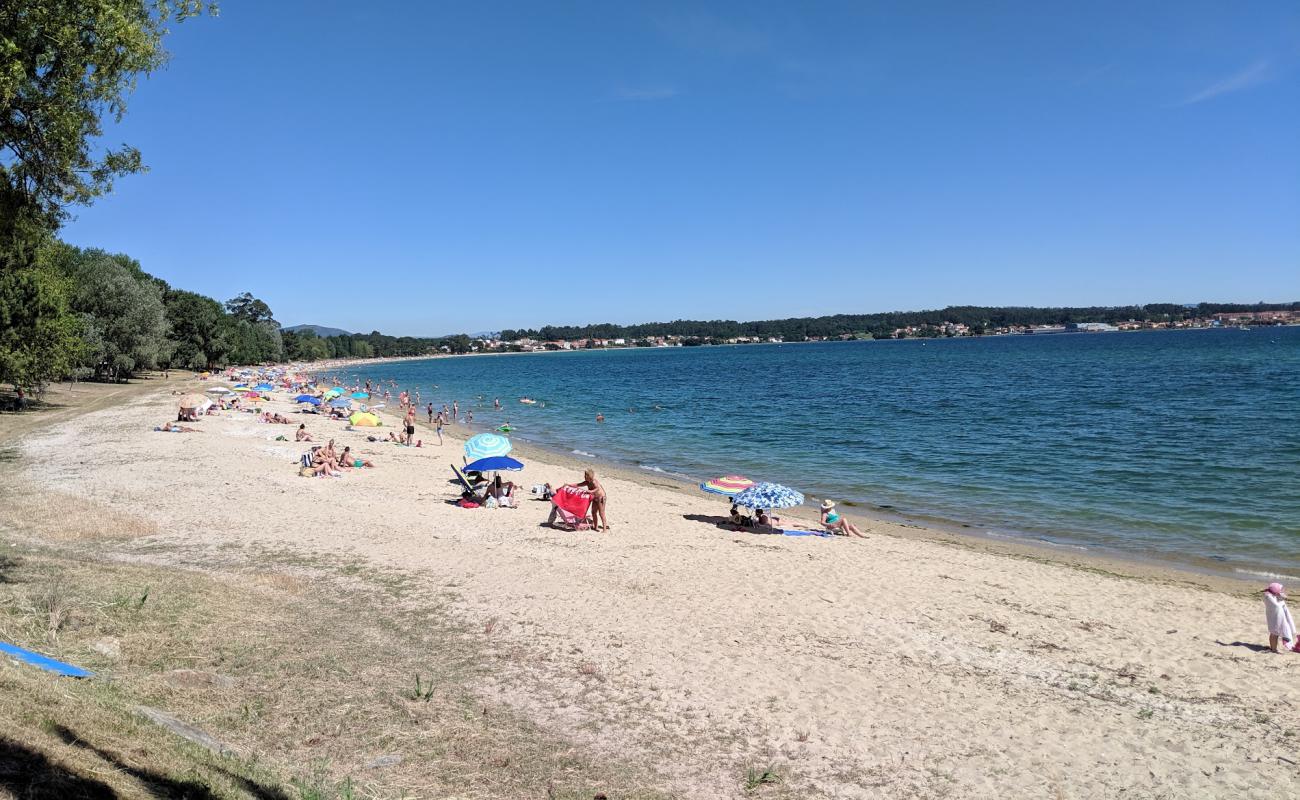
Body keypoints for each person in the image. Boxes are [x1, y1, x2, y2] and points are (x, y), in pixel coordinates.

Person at [1264, 583, 1299, 653]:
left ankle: (1273, 647)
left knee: (1275, 633)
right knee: (1274, 633)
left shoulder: (1272, 595)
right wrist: (1280, 599)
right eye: (1279, 590)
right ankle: (1273, 649)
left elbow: (1279, 602)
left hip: (1276, 617)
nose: (1280, 591)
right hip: (1273, 617)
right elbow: (1276, 606)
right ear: (1274, 591)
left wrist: (1281, 597)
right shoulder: (1268, 597)